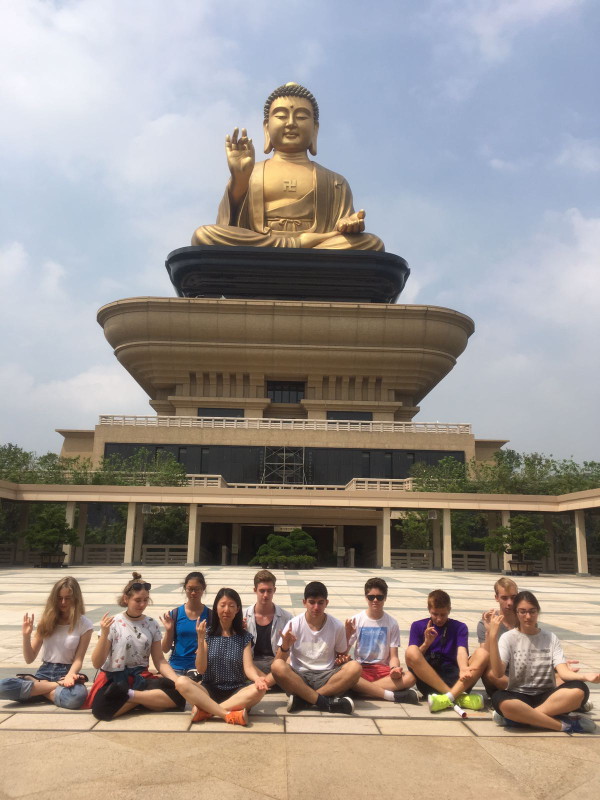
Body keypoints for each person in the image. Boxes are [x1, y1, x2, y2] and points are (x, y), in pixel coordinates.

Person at [192, 82, 384, 251]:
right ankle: (300, 246)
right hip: (271, 243)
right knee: (205, 235)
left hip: (313, 246)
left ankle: (301, 247)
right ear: (266, 127)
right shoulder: (251, 173)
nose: (291, 123)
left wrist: (349, 224)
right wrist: (240, 179)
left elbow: (343, 224)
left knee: (371, 243)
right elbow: (228, 223)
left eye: (301, 117)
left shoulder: (335, 181)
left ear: (315, 129)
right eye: (281, 116)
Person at [489, 590, 599, 733]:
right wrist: (492, 637)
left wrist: (585, 677)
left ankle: (518, 719)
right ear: (516, 613)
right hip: (519, 696)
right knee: (500, 699)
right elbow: (498, 673)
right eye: (522, 612)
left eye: (532, 611)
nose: (528, 616)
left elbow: (564, 673)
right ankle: (565, 725)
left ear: (538, 612)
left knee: (579, 690)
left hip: (548, 697)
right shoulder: (508, 638)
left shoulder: (550, 638)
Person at [87, 572, 185, 720]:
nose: (142, 604)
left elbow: (159, 660)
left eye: (145, 600)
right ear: (126, 599)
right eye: (137, 600)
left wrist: (176, 681)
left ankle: (131, 697)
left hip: (140, 677)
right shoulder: (113, 624)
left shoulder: (151, 624)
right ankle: (146, 700)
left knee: (178, 695)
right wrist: (105, 633)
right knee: (101, 711)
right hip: (115, 680)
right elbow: (96, 663)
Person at [175, 588, 267, 726]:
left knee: (259, 690)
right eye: (222, 605)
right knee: (181, 682)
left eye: (231, 606)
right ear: (216, 608)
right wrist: (200, 639)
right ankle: (227, 714)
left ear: (237, 609)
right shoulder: (207, 634)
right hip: (209, 689)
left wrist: (257, 679)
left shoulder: (244, 637)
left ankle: (207, 711)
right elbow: (201, 669)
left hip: (236, 691)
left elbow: (248, 668)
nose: (226, 610)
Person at [270, 581, 361, 714]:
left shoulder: (337, 626)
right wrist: (285, 646)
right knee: (277, 666)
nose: (316, 607)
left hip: (326, 676)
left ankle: (306, 700)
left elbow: (341, 656)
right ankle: (325, 703)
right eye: (312, 602)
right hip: (299, 677)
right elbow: (277, 662)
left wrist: (343, 660)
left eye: (320, 602)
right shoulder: (293, 625)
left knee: (355, 667)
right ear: (304, 602)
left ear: (326, 603)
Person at [0, 576, 91, 709]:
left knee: (77, 697)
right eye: (59, 598)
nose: (63, 602)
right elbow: (29, 658)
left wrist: (70, 675)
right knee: (2, 687)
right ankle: (53, 690)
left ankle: (38, 691)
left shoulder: (84, 624)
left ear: (76, 599)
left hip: (66, 672)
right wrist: (26, 636)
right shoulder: (47, 620)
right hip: (44, 672)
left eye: (68, 598)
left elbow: (78, 659)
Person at [405, 589, 488, 713]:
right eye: (435, 614)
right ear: (429, 609)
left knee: (483, 653)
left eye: (443, 614)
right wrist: (426, 643)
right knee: (411, 650)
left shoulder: (459, 627)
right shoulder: (417, 626)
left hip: (456, 678)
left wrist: (464, 668)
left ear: (449, 610)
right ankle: (456, 697)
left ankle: (447, 698)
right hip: (429, 679)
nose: (439, 619)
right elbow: (412, 659)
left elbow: (461, 651)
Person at [345, 577, 418, 704]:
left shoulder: (392, 623)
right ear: (366, 597)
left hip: (383, 670)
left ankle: (361, 690)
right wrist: (347, 634)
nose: (375, 600)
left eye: (379, 597)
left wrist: (395, 668)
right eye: (371, 597)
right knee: (344, 674)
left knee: (410, 678)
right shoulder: (357, 620)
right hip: (361, 668)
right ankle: (389, 695)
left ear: (385, 598)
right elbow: (344, 651)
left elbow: (393, 656)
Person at [244, 569, 292, 688]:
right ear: (255, 590)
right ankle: (271, 682)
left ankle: (264, 682)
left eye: (269, 591)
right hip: (252, 664)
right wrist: (239, 632)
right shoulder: (243, 616)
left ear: (274, 590)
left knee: (291, 662)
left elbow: (291, 650)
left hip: (276, 662)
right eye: (262, 591)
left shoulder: (286, 617)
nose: (265, 595)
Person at [160, 571, 212, 676]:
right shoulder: (175, 614)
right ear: (185, 588)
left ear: (203, 588)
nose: (193, 593)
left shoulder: (211, 616)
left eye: (197, 589)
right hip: (176, 667)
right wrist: (169, 630)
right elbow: (165, 649)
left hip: (199, 669)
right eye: (190, 589)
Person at [476, 577, 518, 696]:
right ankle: (528, 691)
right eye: (504, 598)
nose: (510, 603)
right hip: (499, 676)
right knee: (491, 673)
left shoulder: (525, 620)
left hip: (522, 673)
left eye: (513, 597)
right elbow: (484, 657)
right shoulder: (485, 623)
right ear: (496, 598)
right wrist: (490, 632)